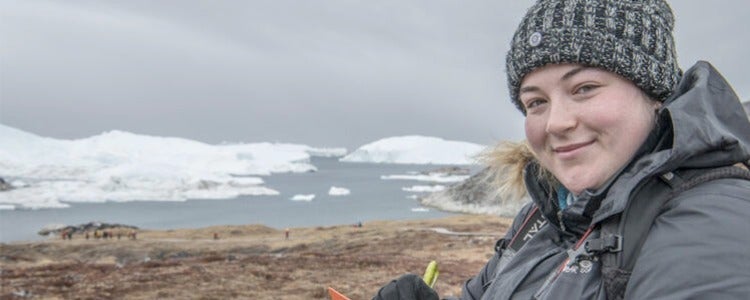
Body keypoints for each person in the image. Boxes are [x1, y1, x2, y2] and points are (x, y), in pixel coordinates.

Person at [373, 0, 750, 299]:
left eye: (584, 88)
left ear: (654, 94)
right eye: (536, 102)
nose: (556, 123)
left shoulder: (712, 222)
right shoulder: (546, 214)